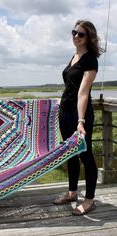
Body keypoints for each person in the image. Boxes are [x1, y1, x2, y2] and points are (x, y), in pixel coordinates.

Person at [53, 20, 104, 215]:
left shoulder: (90, 60)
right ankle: (72, 192)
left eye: (81, 34)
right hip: (65, 113)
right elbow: (70, 88)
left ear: (89, 37)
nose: (76, 36)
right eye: (74, 32)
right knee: (70, 154)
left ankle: (89, 200)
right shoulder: (74, 56)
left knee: (85, 155)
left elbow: (83, 92)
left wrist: (81, 121)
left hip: (79, 115)